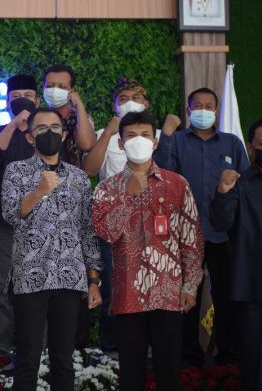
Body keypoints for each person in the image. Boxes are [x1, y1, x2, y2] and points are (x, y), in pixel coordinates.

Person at [93, 111, 204, 391]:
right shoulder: (107, 189)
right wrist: (128, 196)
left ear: (155, 142)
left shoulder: (177, 184)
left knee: (169, 372)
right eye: (131, 136)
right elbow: (106, 233)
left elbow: (191, 238)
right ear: (121, 143)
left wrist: (190, 286)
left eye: (144, 135)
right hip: (128, 294)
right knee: (131, 375)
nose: (138, 141)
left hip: (169, 293)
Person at [1, 108, 102, 390]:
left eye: (55, 128)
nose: (50, 133)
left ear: (65, 135)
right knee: (28, 358)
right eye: (42, 128)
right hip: (29, 277)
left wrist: (94, 280)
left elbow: (87, 231)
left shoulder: (79, 178)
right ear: (30, 137)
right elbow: (10, 214)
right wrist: (38, 191)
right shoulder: (16, 171)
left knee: (63, 359)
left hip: (69, 278)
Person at [154, 87, 249, 366]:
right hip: (183, 236)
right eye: (198, 105)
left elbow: (245, 184)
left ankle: (229, 356)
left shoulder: (232, 143)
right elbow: (160, 175)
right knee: (185, 298)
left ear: (217, 111)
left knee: (228, 296)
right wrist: (166, 136)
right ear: (188, 110)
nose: (203, 110)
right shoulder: (176, 140)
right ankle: (189, 357)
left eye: (209, 106)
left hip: (223, 234)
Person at [211, 116, 262, 390]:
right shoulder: (238, 185)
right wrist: (223, 191)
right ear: (251, 148)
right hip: (257, 296)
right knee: (258, 377)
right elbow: (220, 223)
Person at [82, 77, 161, 351]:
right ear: (115, 105)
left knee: (151, 284)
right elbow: (90, 169)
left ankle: (148, 349)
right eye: (123, 98)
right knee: (114, 287)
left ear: (146, 103)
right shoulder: (107, 133)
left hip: (151, 222)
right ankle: (112, 350)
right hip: (113, 222)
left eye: (135, 98)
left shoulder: (157, 135)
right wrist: (108, 133)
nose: (129, 102)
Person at [0, 74, 40, 364]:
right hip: (4, 221)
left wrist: (32, 126)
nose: (22, 101)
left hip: (41, 221)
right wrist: (14, 123)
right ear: (7, 102)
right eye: (15, 97)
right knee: (0, 288)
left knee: (39, 285)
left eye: (28, 96)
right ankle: (0, 352)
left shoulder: (44, 130)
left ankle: (38, 353)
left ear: (37, 100)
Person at [42, 64, 97, 348]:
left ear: (72, 89)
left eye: (62, 86)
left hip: (73, 205)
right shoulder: (38, 117)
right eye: (50, 85)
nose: (55, 90)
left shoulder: (78, 118)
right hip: (40, 203)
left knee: (73, 275)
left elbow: (87, 145)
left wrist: (79, 105)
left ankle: (77, 349)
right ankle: (43, 349)